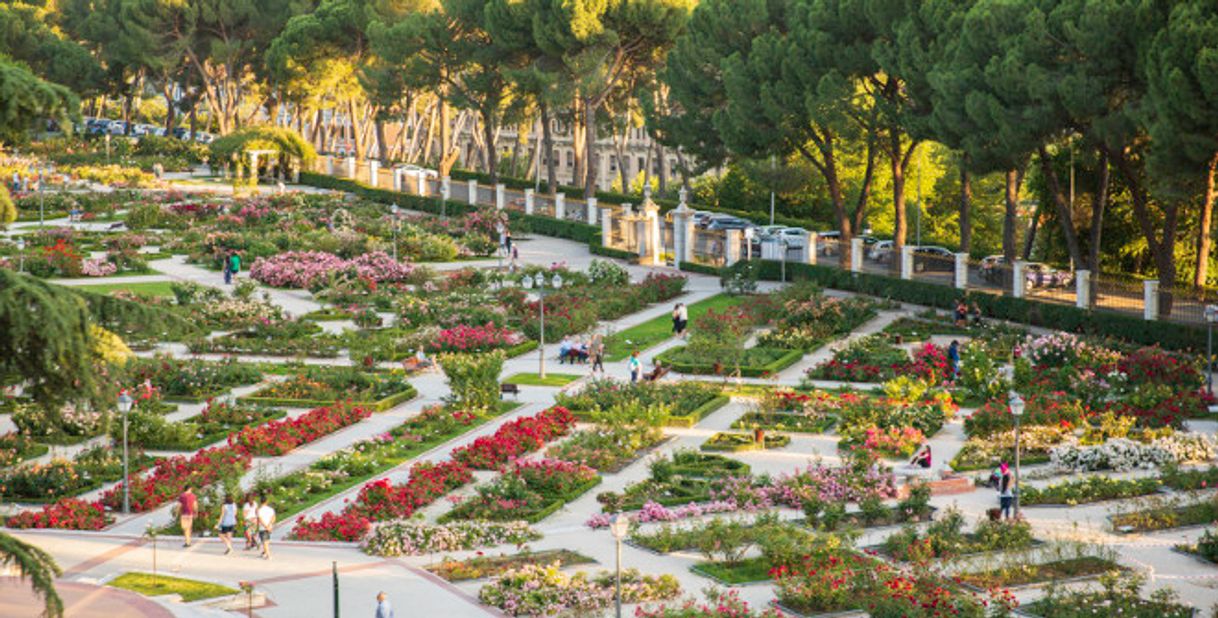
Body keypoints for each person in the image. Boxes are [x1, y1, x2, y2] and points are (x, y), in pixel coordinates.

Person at [256, 495, 276, 560]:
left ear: (260, 502)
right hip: (269, 527)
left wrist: (265, 526)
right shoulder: (271, 509)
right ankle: (264, 552)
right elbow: (273, 518)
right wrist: (269, 525)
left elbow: (260, 519)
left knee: (264, 541)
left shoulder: (259, 510)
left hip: (263, 527)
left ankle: (268, 555)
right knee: (267, 540)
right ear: (266, 501)